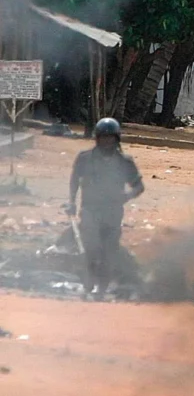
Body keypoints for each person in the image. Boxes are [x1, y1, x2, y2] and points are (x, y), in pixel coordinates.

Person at [67, 118, 145, 299]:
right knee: (91, 247)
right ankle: (88, 283)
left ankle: (101, 288)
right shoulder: (85, 158)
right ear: (97, 138)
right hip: (90, 210)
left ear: (117, 139)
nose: (107, 142)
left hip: (113, 213)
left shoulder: (125, 162)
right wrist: (71, 202)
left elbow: (139, 186)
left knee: (109, 252)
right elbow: (74, 181)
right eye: (103, 138)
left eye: (110, 138)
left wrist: (127, 196)